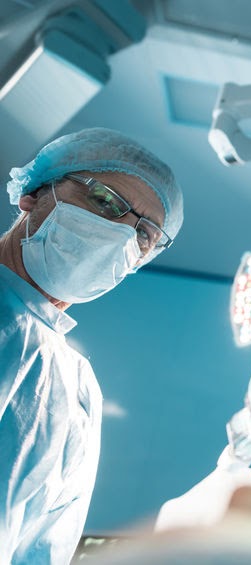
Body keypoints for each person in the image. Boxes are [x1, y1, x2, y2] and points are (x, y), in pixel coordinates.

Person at [0, 128, 183, 563]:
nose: (119, 234)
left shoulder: (76, 388)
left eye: (144, 235)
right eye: (104, 200)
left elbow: (42, 550)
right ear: (33, 195)